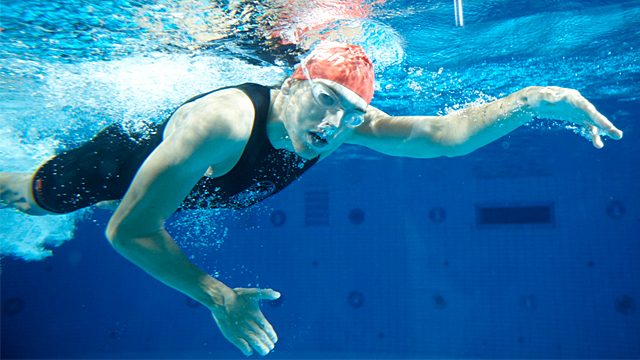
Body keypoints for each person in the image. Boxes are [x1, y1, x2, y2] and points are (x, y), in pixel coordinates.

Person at [0, 41, 623, 356]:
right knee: (27, 196)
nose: (334, 125)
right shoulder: (221, 125)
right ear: (294, 81)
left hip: (188, 185)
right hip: (115, 166)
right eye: (327, 99)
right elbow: (128, 231)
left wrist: (539, 99)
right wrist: (216, 296)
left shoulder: (336, 127)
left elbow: (442, 135)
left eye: (353, 114)